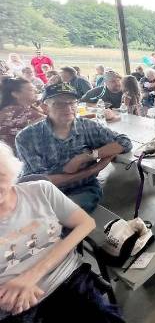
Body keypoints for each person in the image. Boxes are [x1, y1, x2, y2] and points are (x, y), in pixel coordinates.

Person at [0, 142, 126, 322]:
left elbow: (85, 223)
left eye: (0, 176)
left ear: (10, 171)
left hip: (68, 281)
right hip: (16, 306)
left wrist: (31, 276)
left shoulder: (40, 190)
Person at [16, 82, 132, 212]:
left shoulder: (88, 126)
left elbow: (124, 142)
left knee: (68, 214)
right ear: (45, 107)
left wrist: (84, 157)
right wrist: (92, 170)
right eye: (59, 104)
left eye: (72, 102)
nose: (68, 108)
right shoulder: (26, 137)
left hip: (83, 189)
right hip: (42, 193)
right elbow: (43, 181)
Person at [0, 78, 45, 150]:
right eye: (30, 90)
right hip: (15, 157)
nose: (35, 91)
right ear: (16, 94)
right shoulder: (20, 112)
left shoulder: (6, 110)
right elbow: (56, 123)